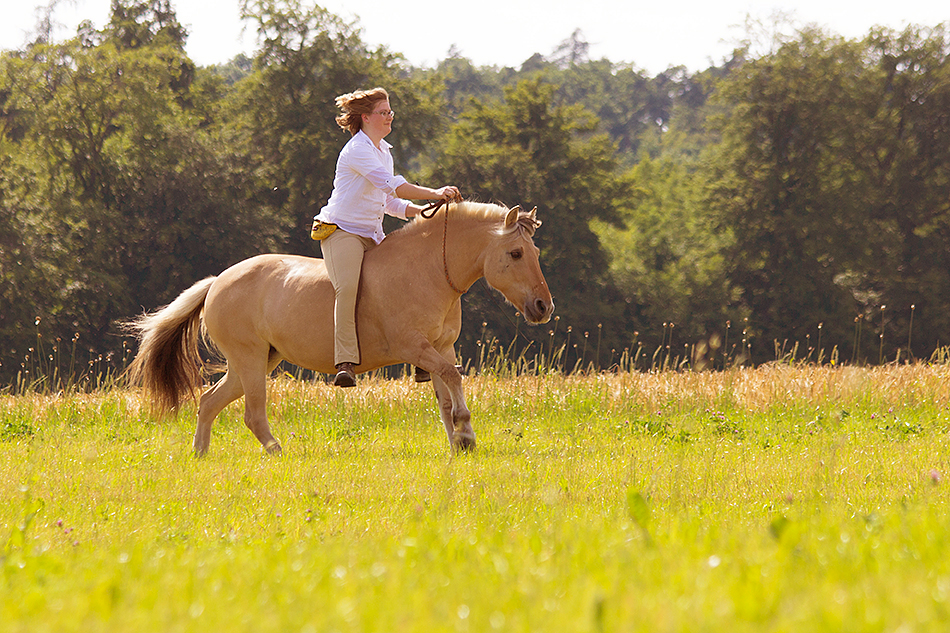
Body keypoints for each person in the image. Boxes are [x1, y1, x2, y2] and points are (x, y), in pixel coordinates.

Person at [314, 87, 460, 388]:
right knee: (348, 288)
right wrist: (435, 193)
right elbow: (393, 186)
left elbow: (390, 203)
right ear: (366, 117)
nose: (389, 117)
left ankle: (421, 357)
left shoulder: (383, 151)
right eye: (383, 112)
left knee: (409, 281)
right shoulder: (358, 150)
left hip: (373, 233)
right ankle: (344, 361)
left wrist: (422, 211)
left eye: (390, 112)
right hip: (342, 231)